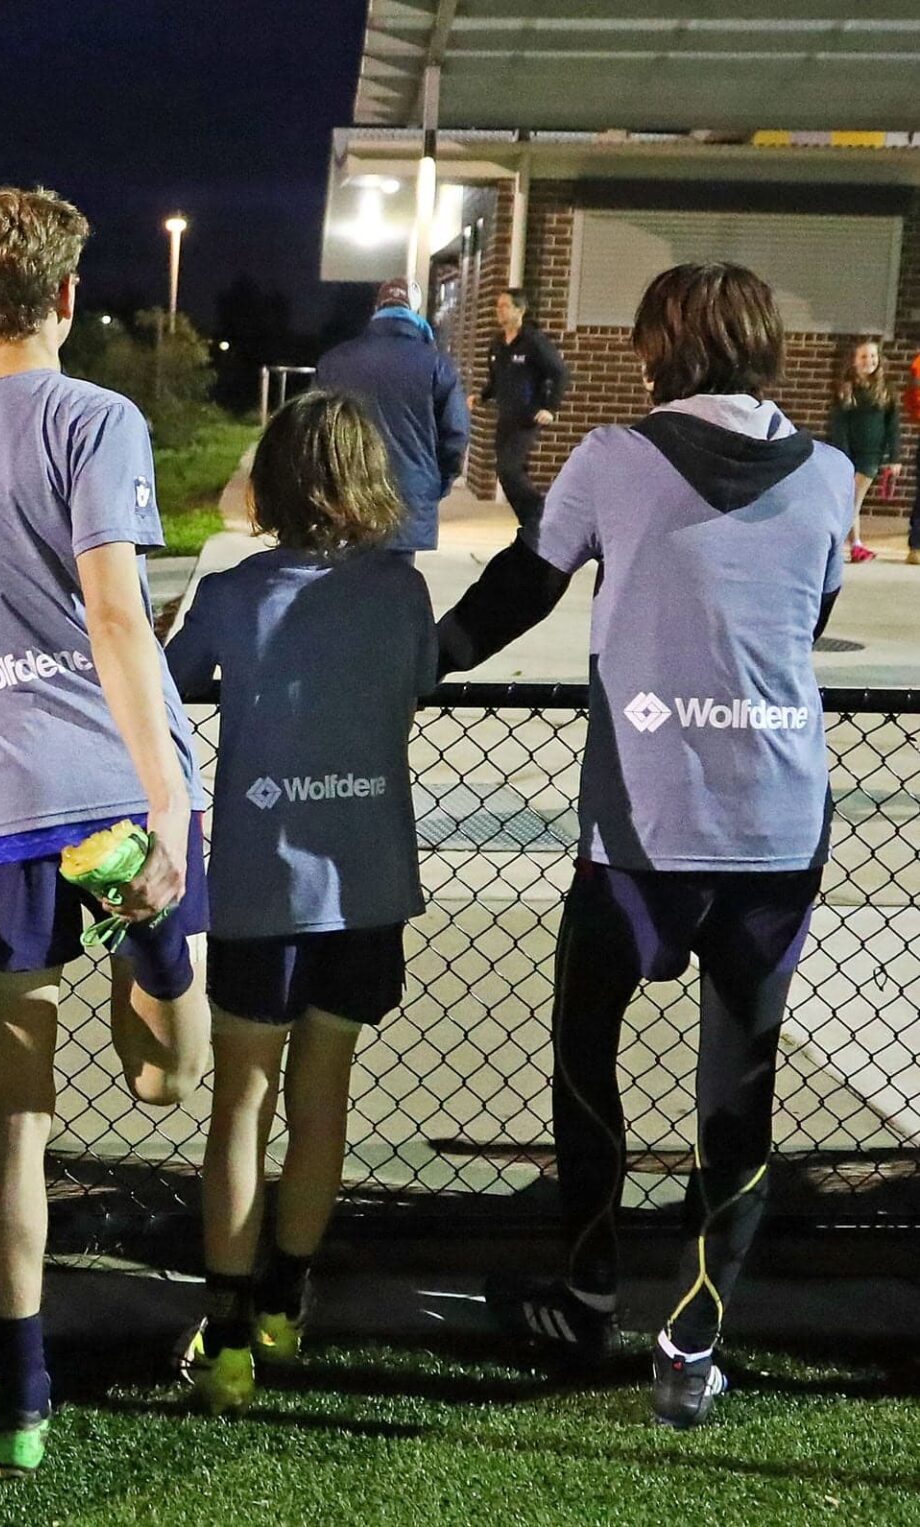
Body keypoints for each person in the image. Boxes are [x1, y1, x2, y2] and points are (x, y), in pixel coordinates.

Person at [437, 262, 848, 1429]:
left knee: (586, 1054)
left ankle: (586, 1293)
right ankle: (693, 1344)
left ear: (663, 346)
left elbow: (524, 586)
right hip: (777, 825)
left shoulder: (613, 458)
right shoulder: (829, 474)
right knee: (740, 1089)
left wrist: (420, 661)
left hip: (639, 828)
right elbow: (809, 619)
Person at [0, 186, 211, 1474]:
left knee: (13, 1117)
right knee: (164, 1080)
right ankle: (157, 943)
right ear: (70, 296)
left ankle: (22, 1390)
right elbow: (118, 616)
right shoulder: (96, 416)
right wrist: (167, 806)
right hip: (117, 782)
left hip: (4, 803)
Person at [163, 391, 432, 1415]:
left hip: (263, 884)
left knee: (243, 1103)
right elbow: (416, 682)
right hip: (366, 883)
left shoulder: (235, 590)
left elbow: (169, 679)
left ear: (272, 482)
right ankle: (285, 1301)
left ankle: (227, 1332)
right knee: (324, 1097)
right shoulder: (400, 591)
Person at [315, 278, 469, 551]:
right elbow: (455, 436)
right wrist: (434, 485)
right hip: (408, 498)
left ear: (377, 309)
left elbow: (313, 432)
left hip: (347, 498)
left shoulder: (334, 361)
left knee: (344, 574)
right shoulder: (437, 365)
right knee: (397, 575)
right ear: (414, 311)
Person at [468, 287, 569, 542]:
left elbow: (559, 373)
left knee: (509, 469)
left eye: (505, 306)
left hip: (527, 418)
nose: (499, 311)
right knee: (506, 474)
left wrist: (550, 408)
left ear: (520, 310)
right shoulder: (497, 344)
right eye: (498, 306)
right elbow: (496, 380)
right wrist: (481, 396)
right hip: (506, 417)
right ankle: (532, 528)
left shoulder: (533, 341)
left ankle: (539, 514)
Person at [828, 335, 896, 564]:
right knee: (850, 501)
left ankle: (853, 544)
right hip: (848, 454)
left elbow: (893, 427)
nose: (869, 360)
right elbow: (839, 425)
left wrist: (894, 456)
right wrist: (841, 455)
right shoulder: (846, 390)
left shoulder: (885, 390)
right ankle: (852, 544)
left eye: (873, 356)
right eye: (864, 356)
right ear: (854, 361)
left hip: (871, 456)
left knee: (853, 500)